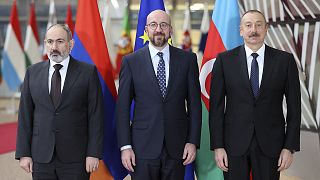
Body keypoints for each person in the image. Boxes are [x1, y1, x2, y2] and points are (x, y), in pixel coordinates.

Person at [209, 10, 301, 180]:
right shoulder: (224, 60)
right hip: (233, 145)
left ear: (266, 29)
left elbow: (295, 108)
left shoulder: (285, 61)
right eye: (248, 25)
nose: (254, 30)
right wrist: (218, 146)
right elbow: (216, 108)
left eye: (259, 25)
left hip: (271, 145)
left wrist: (289, 147)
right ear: (241, 30)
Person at [116, 10, 202, 180]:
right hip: (142, 148)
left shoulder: (188, 60)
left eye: (163, 25)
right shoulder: (131, 62)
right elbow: (122, 109)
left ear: (170, 30)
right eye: (153, 25)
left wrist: (192, 142)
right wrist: (125, 146)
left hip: (177, 147)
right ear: (146, 30)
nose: (158, 29)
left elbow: (195, 106)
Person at [15, 24, 104, 180]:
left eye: (60, 41)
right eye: (50, 42)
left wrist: (93, 153)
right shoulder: (32, 73)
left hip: (76, 158)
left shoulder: (88, 72)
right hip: (41, 157)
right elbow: (25, 116)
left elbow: (96, 115)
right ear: (45, 43)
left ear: (71, 44)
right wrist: (24, 153)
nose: (54, 47)